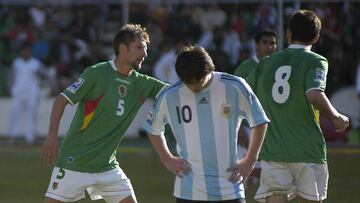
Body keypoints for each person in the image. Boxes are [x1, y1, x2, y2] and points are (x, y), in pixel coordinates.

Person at [41, 24, 167, 203]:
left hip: (107, 166)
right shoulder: (96, 73)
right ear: (123, 48)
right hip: (75, 162)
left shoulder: (142, 83)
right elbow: (61, 100)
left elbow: (173, 93)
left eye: (145, 49)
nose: (145, 54)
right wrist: (52, 135)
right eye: (139, 48)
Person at [246, 10, 350, 203]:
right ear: (317, 37)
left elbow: (245, 94)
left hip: (274, 150)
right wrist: (336, 117)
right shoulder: (316, 60)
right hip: (307, 150)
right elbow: (314, 93)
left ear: (288, 34)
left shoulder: (267, 63)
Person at [143, 45, 269, 203]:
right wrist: (167, 158)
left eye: (199, 81)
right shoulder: (170, 95)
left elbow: (260, 121)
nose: (194, 86)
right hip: (188, 191)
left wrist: (250, 160)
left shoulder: (234, 86)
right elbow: (152, 127)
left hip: (230, 188)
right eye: (189, 82)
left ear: (210, 70)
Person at [233, 30, 278, 186]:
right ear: (257, 45)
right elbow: (232, 99)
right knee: (239, 177)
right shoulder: (245, 68)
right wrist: (238, 130)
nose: (269, 47)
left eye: (272, 43)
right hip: (246, 127)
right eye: (265, 42)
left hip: (270, 127)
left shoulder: (279, 68)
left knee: (271, 177)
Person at [7, 43, 56, 146]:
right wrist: (11, 88)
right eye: (24, 51)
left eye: (28, 51)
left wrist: (53, 86)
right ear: (21, 52)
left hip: (32, 92)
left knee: (31, 115)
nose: (26, 52)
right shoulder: (17, 63)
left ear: (31, 52)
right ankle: (13, 136)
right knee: (15, 114)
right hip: (18, 92)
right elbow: (11, 76)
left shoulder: (36, 63)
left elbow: (47, 75)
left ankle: (30, 137)